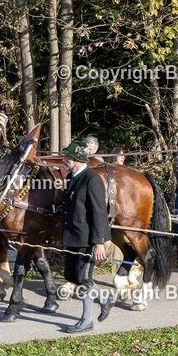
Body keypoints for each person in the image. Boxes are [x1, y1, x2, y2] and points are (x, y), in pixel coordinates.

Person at [58, 140, 114, 334]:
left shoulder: (92, 179)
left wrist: (99, 242)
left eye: (68, 158)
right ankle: (105, 298)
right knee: (72, 276)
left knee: (84, 279)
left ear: (79, 159)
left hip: (87, 239)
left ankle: (86, 320)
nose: (64, 161)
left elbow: (98, 212)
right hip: (72, 236)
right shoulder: (71, 177)